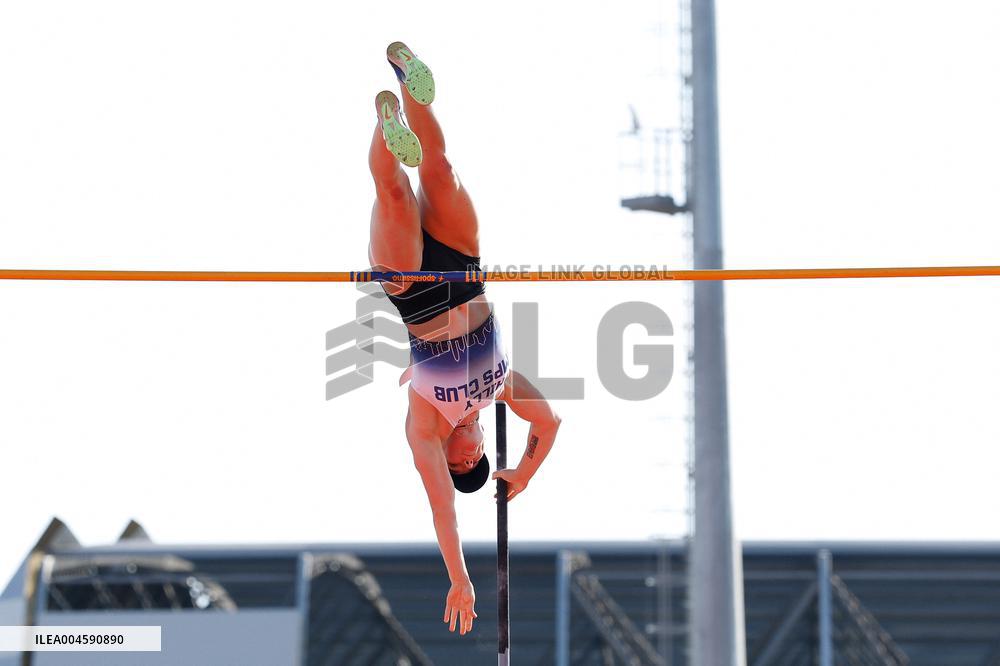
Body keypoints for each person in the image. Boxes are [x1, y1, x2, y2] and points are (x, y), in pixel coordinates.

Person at [367, 42, 561, 637]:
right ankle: (409, 82)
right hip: (465, 273)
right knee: (440, 169)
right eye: (477, 463)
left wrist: (460, 577)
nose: (469, 459)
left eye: (463, 466)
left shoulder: (425, 426)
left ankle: (387, 123)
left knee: (394, 193)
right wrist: (521, 473)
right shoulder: (501, 389)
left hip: (416, 295)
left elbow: (443, 510)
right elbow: (549, 422)